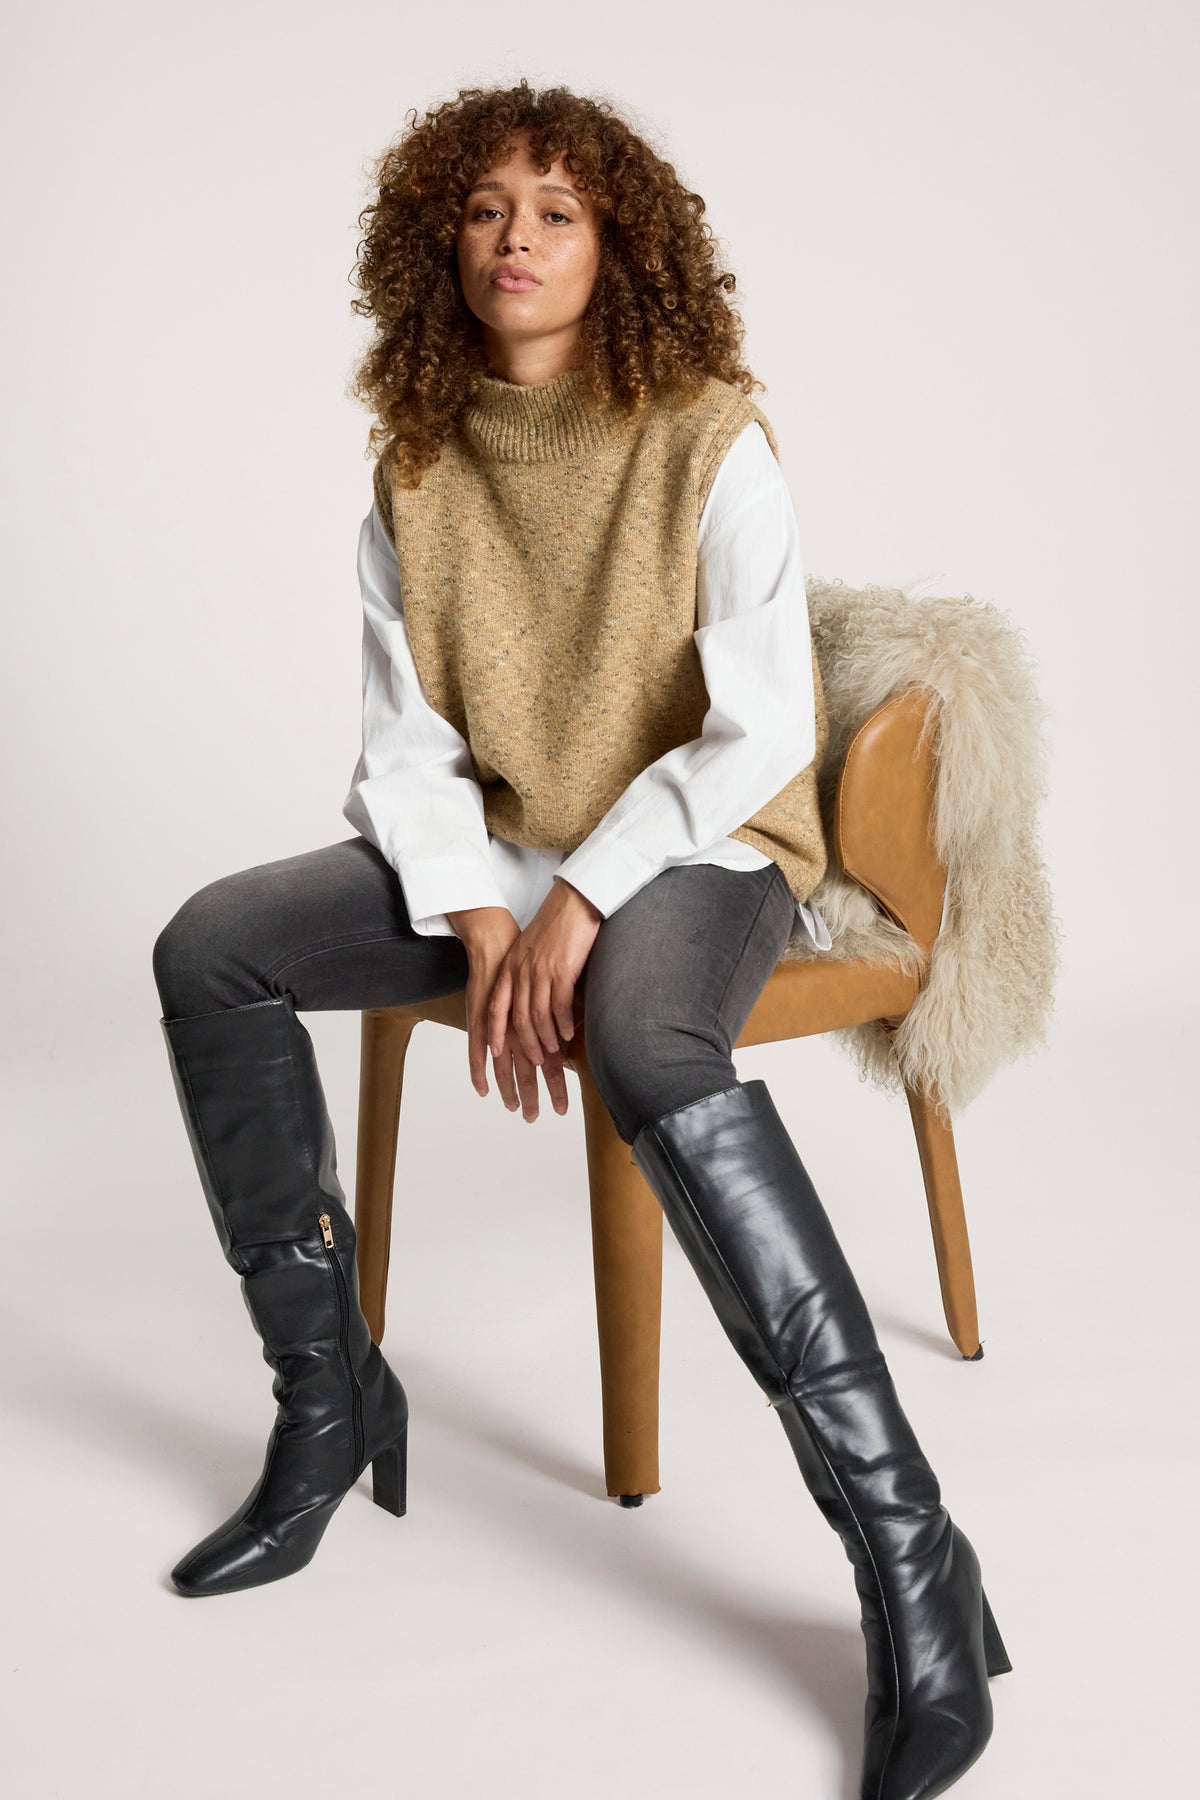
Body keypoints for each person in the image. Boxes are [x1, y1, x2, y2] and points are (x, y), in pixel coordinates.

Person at [151, 79, 1010, 1800]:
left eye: (555, 211)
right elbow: (405, 739)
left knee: (641, 1035)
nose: (516, 239)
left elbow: (759, 733)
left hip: (703, 845)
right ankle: (330, 1409)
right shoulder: (416, 460)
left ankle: (910, 1552)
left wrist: (582, 901)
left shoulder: (710, 434)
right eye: (484, 210)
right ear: (439, 243)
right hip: (500, 848)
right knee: (210, 948)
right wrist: (485, 909)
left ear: (619, 246)